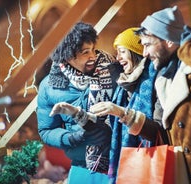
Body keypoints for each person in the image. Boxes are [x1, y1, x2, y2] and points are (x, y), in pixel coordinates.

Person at [96, 6, 191, 183]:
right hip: (188, 172)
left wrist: (187, 44)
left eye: (147, 45)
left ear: (168, 42)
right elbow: (162, 132)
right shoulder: (163, 77)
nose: (145, 53)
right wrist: (123, 114)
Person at [36, 22, 118, 182]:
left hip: (118, 161)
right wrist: (71, 138)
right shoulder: (50, 86)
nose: (93, 56)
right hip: (81, 167)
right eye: (85, 52)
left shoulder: (112, 72)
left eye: (93, 49)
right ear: (68, 55)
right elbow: (46, 130)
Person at [90, 27, 168, 183]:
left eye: (122, 51)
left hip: (154, 161)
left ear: (135, 51)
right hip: (130, 163)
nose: (117, 58)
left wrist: (122, 113)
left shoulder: (156, 81)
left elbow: (158, 131)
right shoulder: (122, 85)